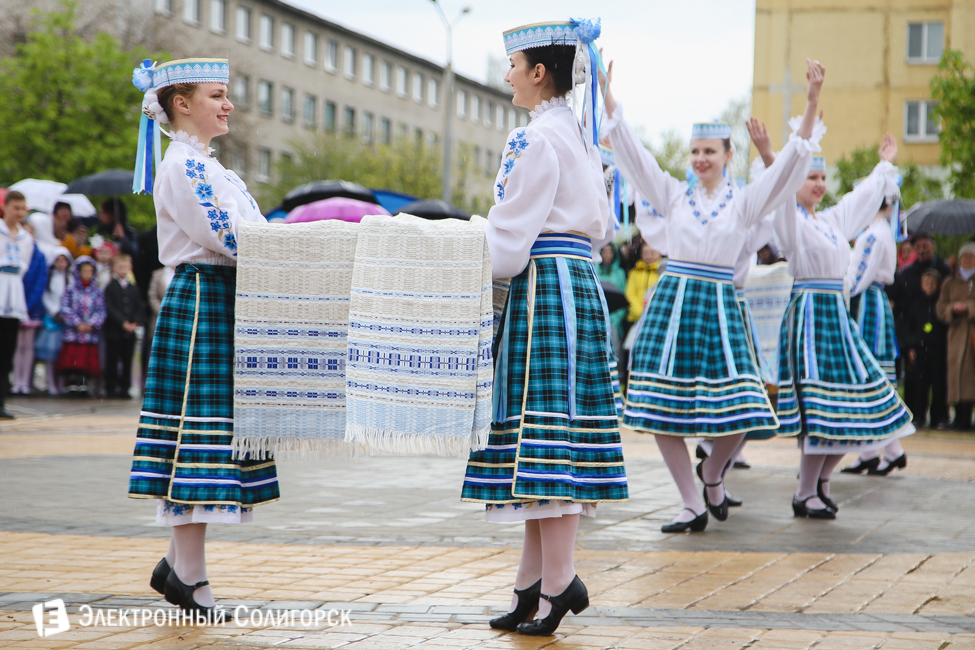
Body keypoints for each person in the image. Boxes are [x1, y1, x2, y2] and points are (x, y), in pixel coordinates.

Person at [602, 56, 823, 533]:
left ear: (727, 155)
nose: (701, 158)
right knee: (660, 412)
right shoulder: (674, 196)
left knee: (745, 405)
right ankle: (691, 502)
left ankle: (712, 472)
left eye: (711, 151)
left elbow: (788, 166)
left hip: (721, 307)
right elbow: (634, 154)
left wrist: (810, 102)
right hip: (675, 303)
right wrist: (606, 94)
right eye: (695, 151)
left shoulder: (743, 201)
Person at [462, 20, 626, 637]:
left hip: (546, 287)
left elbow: (506, 242)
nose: (507, 74)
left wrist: (454, 248)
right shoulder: (579, 137)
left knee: (544, 437)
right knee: (553, 436)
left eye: (514, 63)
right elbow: (604, 230)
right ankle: (532, 585)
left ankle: (559, 582)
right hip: (577, 284)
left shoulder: (532, 139)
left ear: (538, 72)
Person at [125, 57, 278, 619]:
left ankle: (175, 564)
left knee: (208, 432)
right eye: (217, 95)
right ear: (181, 104)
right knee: (199, 437)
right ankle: (190, 576)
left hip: (219, 298)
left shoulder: (210, 167)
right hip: (203, 300)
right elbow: (228, 235)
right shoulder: (185, 167)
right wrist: (290, 250)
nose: (228, 104)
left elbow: (249, 233)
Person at [753, 127, 913, 520]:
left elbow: (861, 199)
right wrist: (772, 155)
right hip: (809, 313)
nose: (820, 184)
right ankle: (807, 490)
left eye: (823, 177)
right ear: (796, 182)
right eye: (811, 177)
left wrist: (884, 164)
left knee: (854, 403)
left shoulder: (830, 221)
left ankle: (819, 485)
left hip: (835, 317)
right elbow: (780, 194)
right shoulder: (792, 221)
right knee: (820, 406)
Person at [840, 198, 905, 475]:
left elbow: (857, 277)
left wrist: (839, 293)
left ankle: (888, 450)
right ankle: (873, 451)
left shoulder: (872, 234)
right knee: (869, 380)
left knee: (868, 379)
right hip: (874, 300)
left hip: (866, 304)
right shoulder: (881, 232)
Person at [0, 190, 33, 419]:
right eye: (16, 208)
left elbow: (25, 266)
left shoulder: (26, 238)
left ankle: (1, 400)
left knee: (6, 351)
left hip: (14, 294)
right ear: (6, 207)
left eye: (23, 209)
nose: (19, 213)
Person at [902, 269, 948, 430]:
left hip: (937, 350)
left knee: (938, 385)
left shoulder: (940, 303)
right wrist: (910, 346)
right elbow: (909, 327)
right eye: (926, 283)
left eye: (932, 283)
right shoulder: (916, 304)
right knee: (920, 385)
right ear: (922, 285)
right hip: (920, 349)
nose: (929, 286)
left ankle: (939, 417)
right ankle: (919, 416)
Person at [937, 241, 975, 431]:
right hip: (955, 335)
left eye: (971, 256)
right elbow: (941, 307)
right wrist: (952, 309)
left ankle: (968, 417)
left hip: (972, 335)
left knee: (970, 377)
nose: (967, 260)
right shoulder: (950, 281)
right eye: (964, 256)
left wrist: (968, 307)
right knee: (955, 377)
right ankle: (958, 416)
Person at [56, 256, 105, 394]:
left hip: (90, 333)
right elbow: (65, 307)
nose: (87, 274)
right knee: (72, 359)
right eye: (84, 271)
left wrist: (91, 324)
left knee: (86, 360)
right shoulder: (71, 289)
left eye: (90, 271)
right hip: (73, 333)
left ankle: (84, 385)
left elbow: (101, 310)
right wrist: (77, 323)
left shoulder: (96, 292)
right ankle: (71, 384)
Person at [11, 221, 48, 395]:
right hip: (14, 303)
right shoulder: (13, 252)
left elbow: (40, 282)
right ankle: (16, 381)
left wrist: (28, 304)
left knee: (28, 345)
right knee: (17, 345)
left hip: (32, 308)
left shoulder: (39, 256)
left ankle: (26, 382)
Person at [103, 254, 143, 398]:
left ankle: (125, 388)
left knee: (128, 360)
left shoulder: (133, 288)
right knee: (113, 359)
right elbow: (109, 307)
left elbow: (138, 307)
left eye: (125, 267)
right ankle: (111, 387)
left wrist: (135, 323)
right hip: (114, 330)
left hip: (130, 331)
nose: (123, 270)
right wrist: (122, 322)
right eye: (120, 267)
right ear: (113, 268)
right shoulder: (110, 287)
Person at [35, 249, 73, 395]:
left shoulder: (70, 278)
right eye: (58, 260)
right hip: (51, 319)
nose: (61, 264)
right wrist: (55, 311)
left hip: (67, 321)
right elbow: (45, 296)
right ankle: (50, 383)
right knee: (50, 354)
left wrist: (65, 313)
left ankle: (61, 383)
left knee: (63, 354)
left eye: (64, 261)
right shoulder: (49, 277)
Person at [624, 239, 663, 324]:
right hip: (635, 317)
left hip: (656, 317)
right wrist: (639, 312)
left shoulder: (663, 273)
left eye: (652, 253)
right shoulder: (634, 272)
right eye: (645, 253)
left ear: (660, 254)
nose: (649, 256)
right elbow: (630, 294)